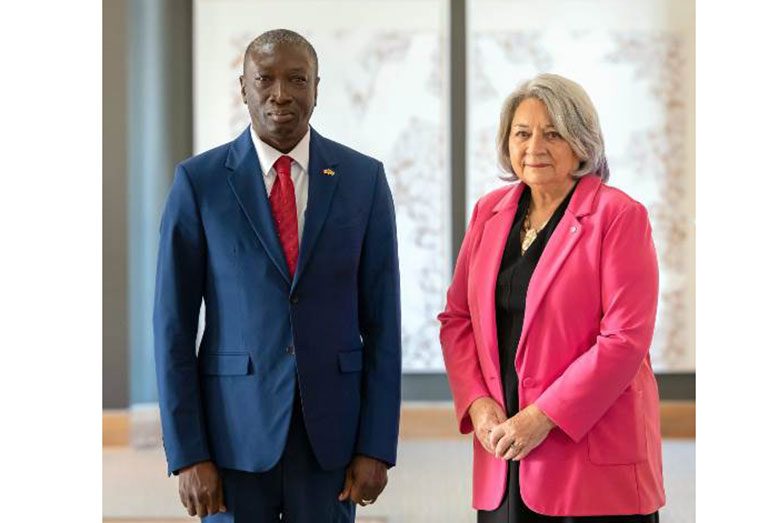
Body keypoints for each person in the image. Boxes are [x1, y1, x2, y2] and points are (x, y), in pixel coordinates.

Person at [153, 29, 401, 522]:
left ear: (316, 87)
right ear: (242, 87)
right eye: (264, 79)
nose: (281, 94)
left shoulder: (363, 180)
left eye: (297, 79)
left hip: (331, 439)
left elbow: (383, 324)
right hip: (230, 441)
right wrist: (188, 453)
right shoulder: (198, 183)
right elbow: (172, 329)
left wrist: (376, 445)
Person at [438, 73, 665, 522]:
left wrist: (542, 417)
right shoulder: (489, 212)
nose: (534, 146)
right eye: (522, 133)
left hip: (590, 458)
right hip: (504, 450)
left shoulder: (619, 216)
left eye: (553, 132)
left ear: (582, 143)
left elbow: (625, 340)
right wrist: (478, 404)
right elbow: (457, 319)